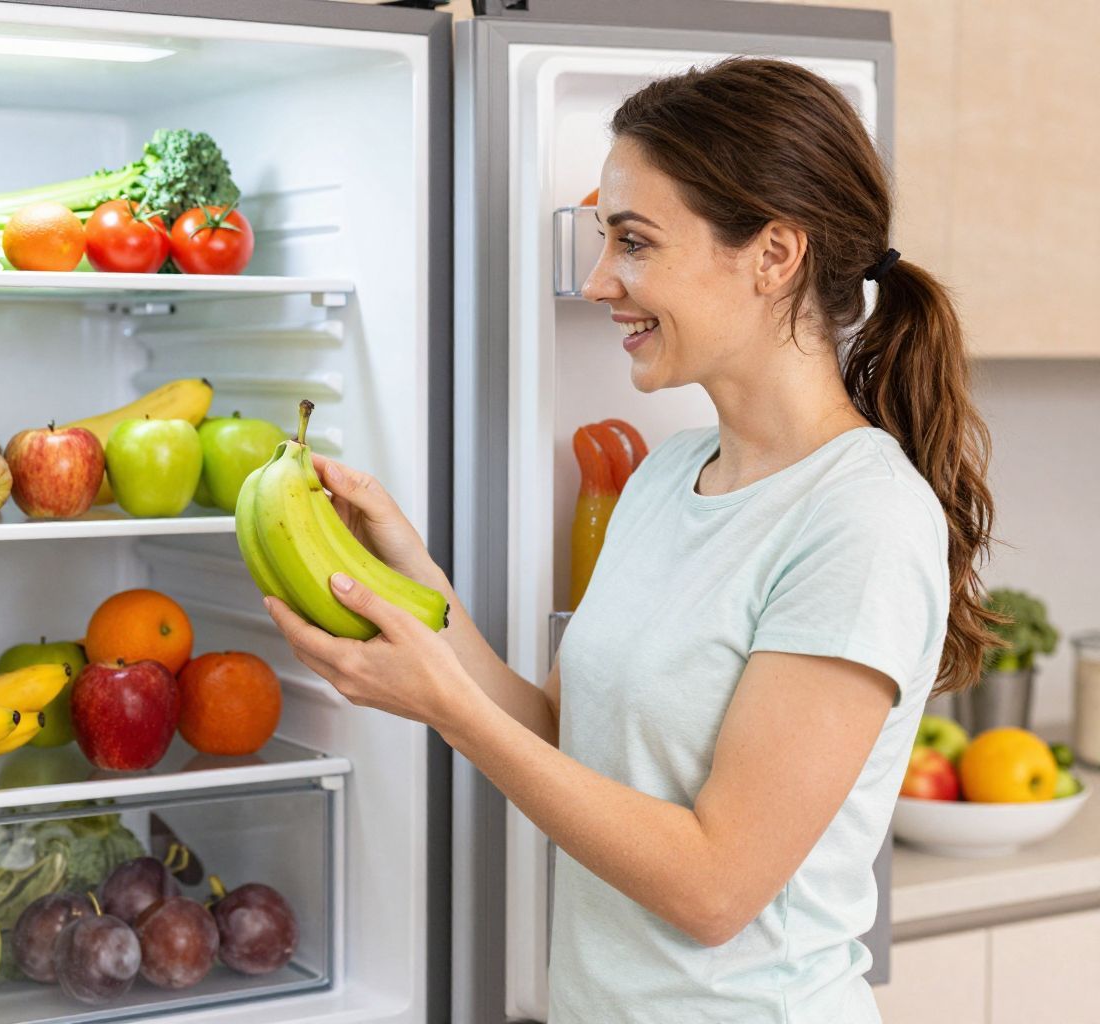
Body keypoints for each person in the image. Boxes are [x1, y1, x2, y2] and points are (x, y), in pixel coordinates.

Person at [263, 57, 1003, 1022]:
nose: (599, 278)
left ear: (775, 254)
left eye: (634, 242)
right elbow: (571, 742)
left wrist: (452, 712)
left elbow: (714, 890)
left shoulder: (860, 518)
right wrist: (422, 593)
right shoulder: (667, 473)